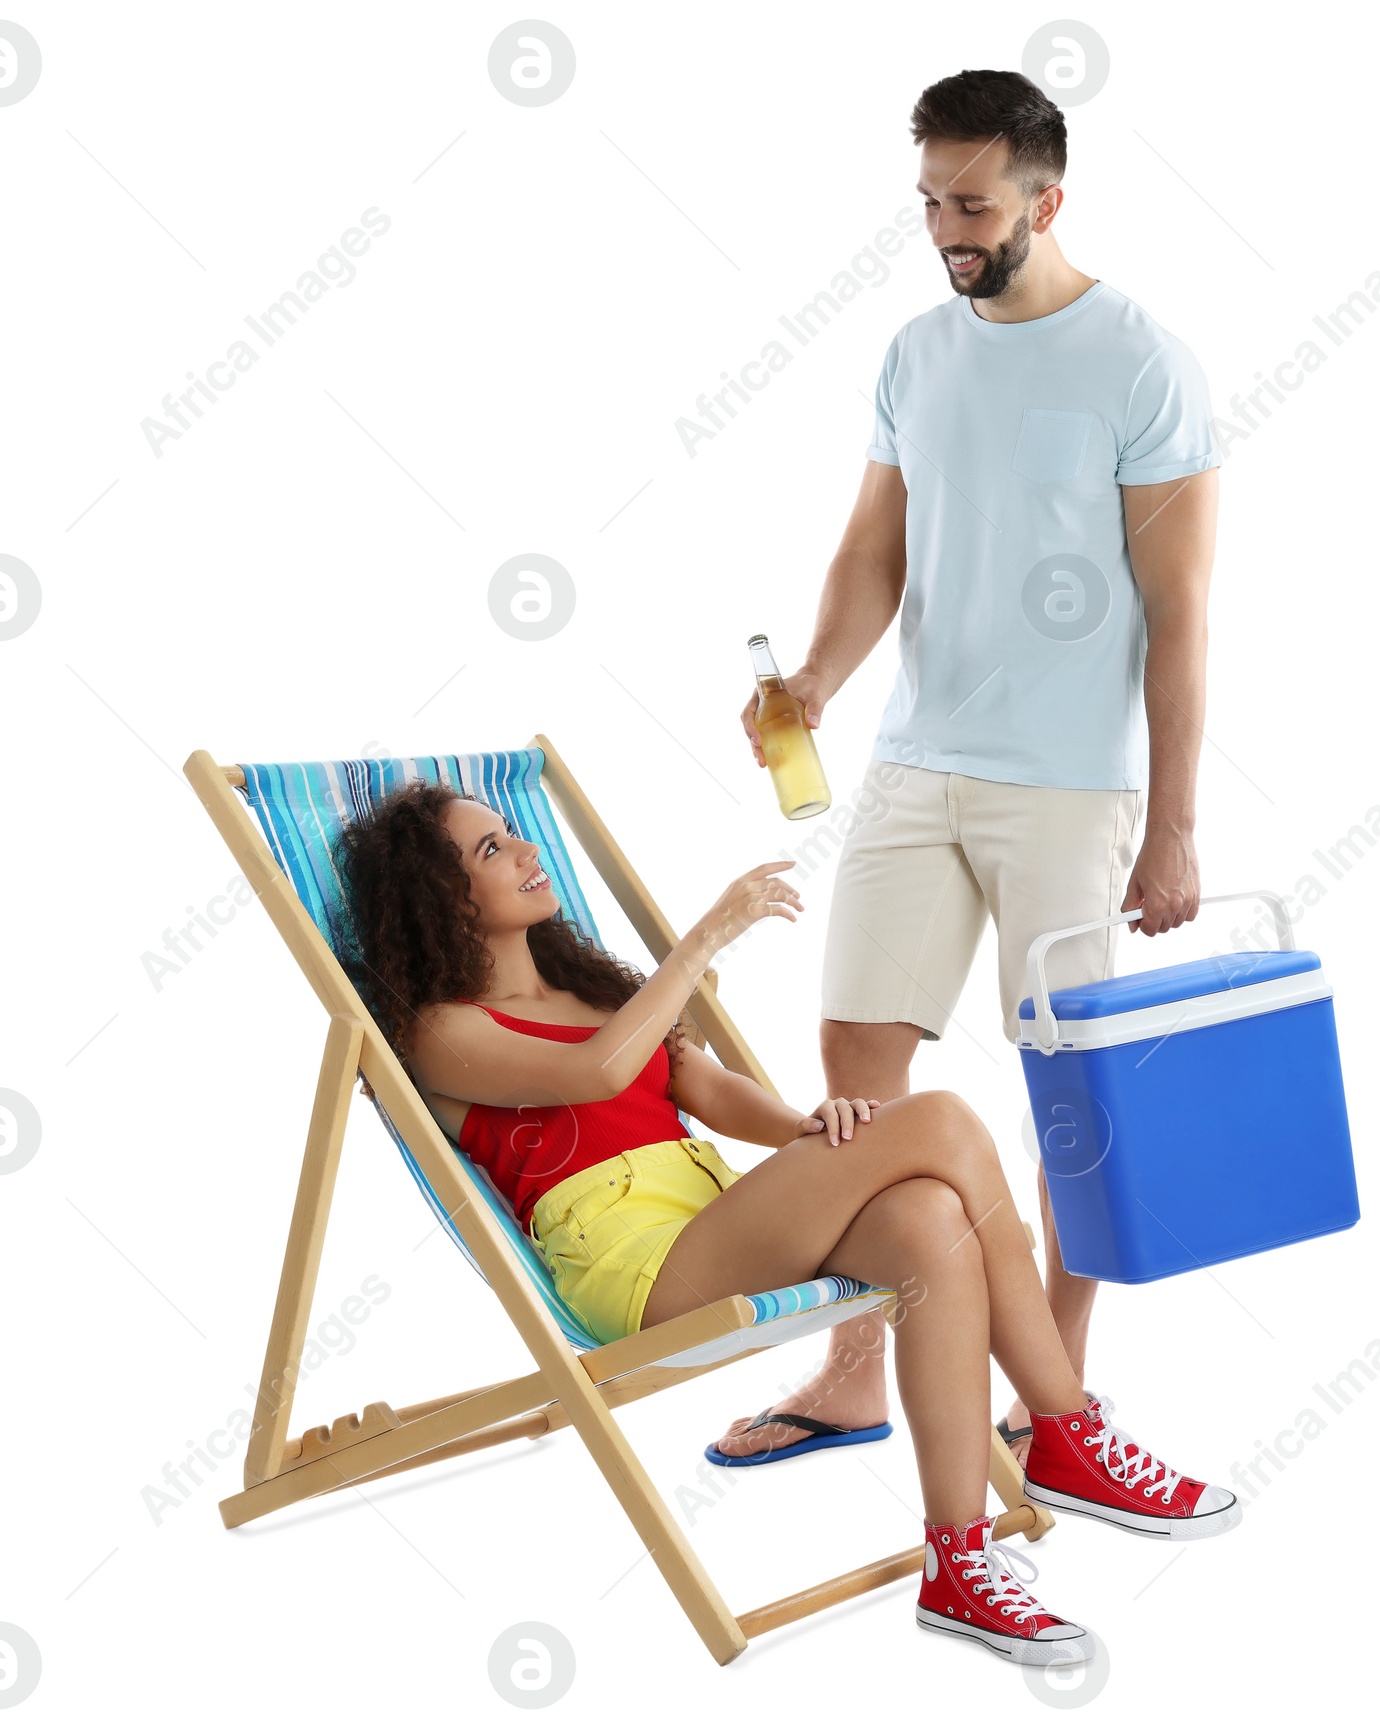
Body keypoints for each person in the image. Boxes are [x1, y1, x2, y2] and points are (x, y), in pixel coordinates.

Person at [334, 783, 1240, 1668]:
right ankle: (1067, 1431)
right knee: (947, 1120)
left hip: (714, 1219)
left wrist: (816, 1134)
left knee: (927, 1219)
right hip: (639, 1273)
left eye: (511, 833)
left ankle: (958, 1564)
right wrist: (702, 940)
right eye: (490, 849)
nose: (526, 850)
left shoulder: (593, 992)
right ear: (437, 898)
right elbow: (601, 1076)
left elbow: (710, 1091)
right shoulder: (439, 1031)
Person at [718, 68, 1223, 1478]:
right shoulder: (914, 352)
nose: (948, 225)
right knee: (856, 1085)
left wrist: (1171, 828)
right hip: (910, 768)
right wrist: (817, 675)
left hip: (1067, 788)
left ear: (1047, 200)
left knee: (1072, 1098)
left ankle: (1051, 1397)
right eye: (931, 199)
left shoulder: (1141, 360)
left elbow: (1179, 611)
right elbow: (875, 547)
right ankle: (851, 1370)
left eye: (975, 202)